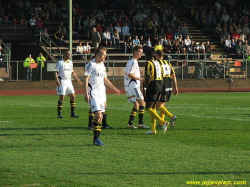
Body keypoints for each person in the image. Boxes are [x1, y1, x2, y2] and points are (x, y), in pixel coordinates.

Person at [84, 46, 121, 146]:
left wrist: (114, 88)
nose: (105, 57)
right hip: (93, 93)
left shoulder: (102, 65)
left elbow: (105, 79)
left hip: (102, 93)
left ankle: (97, 139)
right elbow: (86, 79)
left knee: (100, 118)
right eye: (103, 55)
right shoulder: (91, 65)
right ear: (97, 55)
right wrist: (86, 93)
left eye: (105, 55)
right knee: (98, 115)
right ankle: (96, 139)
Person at [143, 50, 168, 134]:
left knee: (148, 108)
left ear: (147, 55)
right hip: (159, 85)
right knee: (153, 108)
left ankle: (163, 122)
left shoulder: (148, 63)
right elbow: (162, 75)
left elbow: (148, 76)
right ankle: (153, 129)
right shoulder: (157, 63)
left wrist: (145, 88)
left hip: (152, 85)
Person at [124, 46, 149, 129]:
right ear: (135, 52)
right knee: (142, 103)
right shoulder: (133, 62)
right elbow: (129, 74)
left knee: (136, 105)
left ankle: (130, 123)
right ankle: (140, 123)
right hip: (132, 85)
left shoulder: (133, 62)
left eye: (141, 52)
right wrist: (140, 79)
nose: (141, 54)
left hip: (132, 85)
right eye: (139, 52)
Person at [54, 50, 83, 119]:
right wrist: (57, 80)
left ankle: (72, 113)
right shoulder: (60, 62)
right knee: (62, 97)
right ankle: (59, 114)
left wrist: (77, 79)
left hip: (69, 81)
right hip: (62, 81)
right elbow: (55, 72)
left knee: (73, 96)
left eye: (70, 54)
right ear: (64, 54)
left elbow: (72, 72)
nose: (69, 55)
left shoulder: (70, 62)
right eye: (68, 53)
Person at [155, 50, 178, 128]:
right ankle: (161, 123)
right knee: (162, 104)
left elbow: (158, 75)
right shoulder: (168, 64)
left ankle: (171, 117)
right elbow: (174, 76)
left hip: (162, 84)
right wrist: (176, 87)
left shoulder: (157, 63)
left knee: (157, 106)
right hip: (169, 84)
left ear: (157, 55)